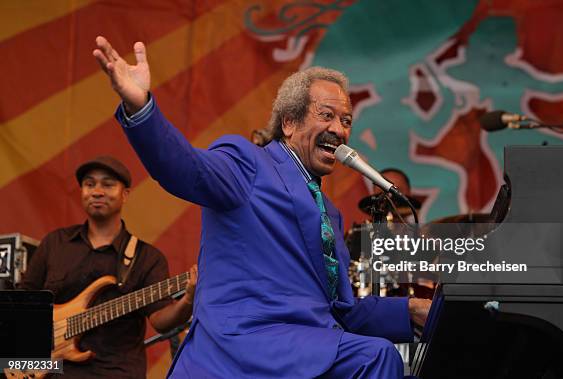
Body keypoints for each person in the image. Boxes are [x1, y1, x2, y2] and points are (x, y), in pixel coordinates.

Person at [93, 35, 431, 378]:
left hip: (306, 347)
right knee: (376, 356)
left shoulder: (330, 213)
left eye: (346, 121)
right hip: (244, 346)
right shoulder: (248, 163)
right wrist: (141, 108)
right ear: (289, 122)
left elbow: (344, 311)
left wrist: (412, 309)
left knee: (388, 357)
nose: (339, 130)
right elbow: (184, 169)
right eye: (326, 115)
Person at [20, 156, 197, 379]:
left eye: (108, 184)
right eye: (89, 184)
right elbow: (22, 305)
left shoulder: (147, 258)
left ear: (125, 194)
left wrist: (188, 301)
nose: (97, 191)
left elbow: (161, 321)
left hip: (116, 373)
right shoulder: (55, 243)